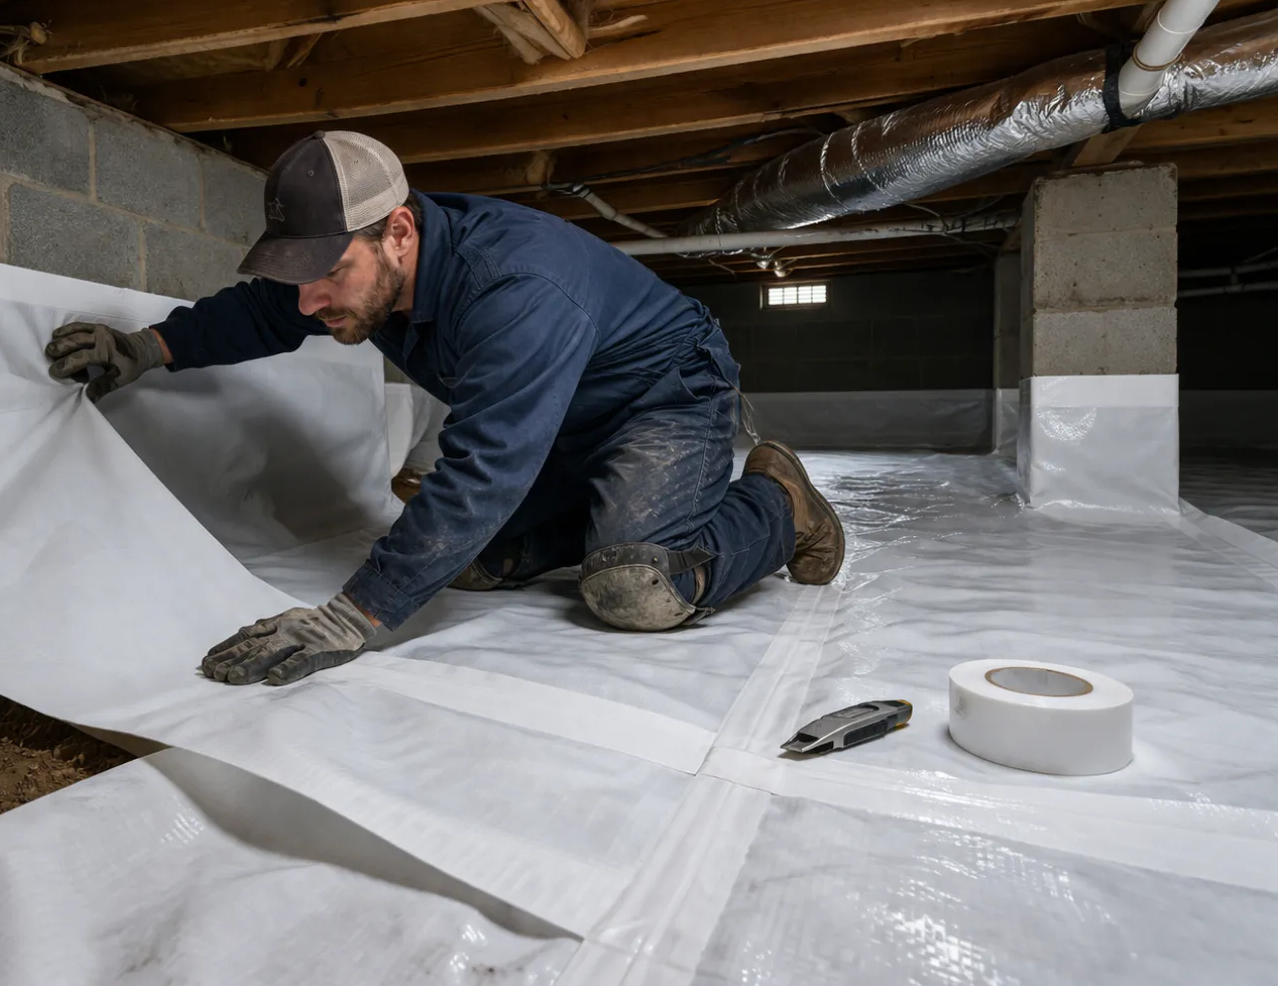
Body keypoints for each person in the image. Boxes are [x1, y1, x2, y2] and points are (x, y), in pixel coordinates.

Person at [43, 130, 843, 687]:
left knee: (634, 586)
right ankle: (602, 516)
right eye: (300, 278)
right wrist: (145, 348)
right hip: (557, 419)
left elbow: (486, 468)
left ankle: (780, 503)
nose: (312, 300)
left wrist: (354, 616)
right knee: (460, 560)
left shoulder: (514, 288)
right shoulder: (351, 275)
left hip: (660, 396)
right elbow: (261, 313)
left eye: (328, 275)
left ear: (397, 232)